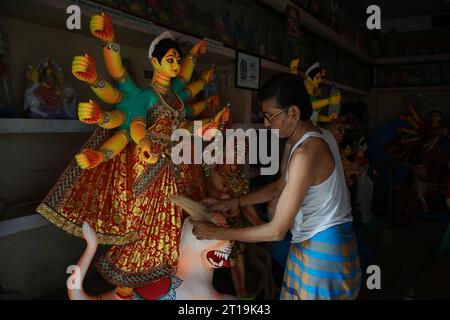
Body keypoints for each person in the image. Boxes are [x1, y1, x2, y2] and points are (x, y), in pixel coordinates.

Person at [191, 73, 361, 300]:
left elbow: (276, 230)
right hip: (312, 240)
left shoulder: (307, 152)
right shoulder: (309, 138)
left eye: (271, 116)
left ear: (293, 112)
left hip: (323, 247)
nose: (266, 123)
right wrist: (233, 202)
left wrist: (216, 233)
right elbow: (281, 186)